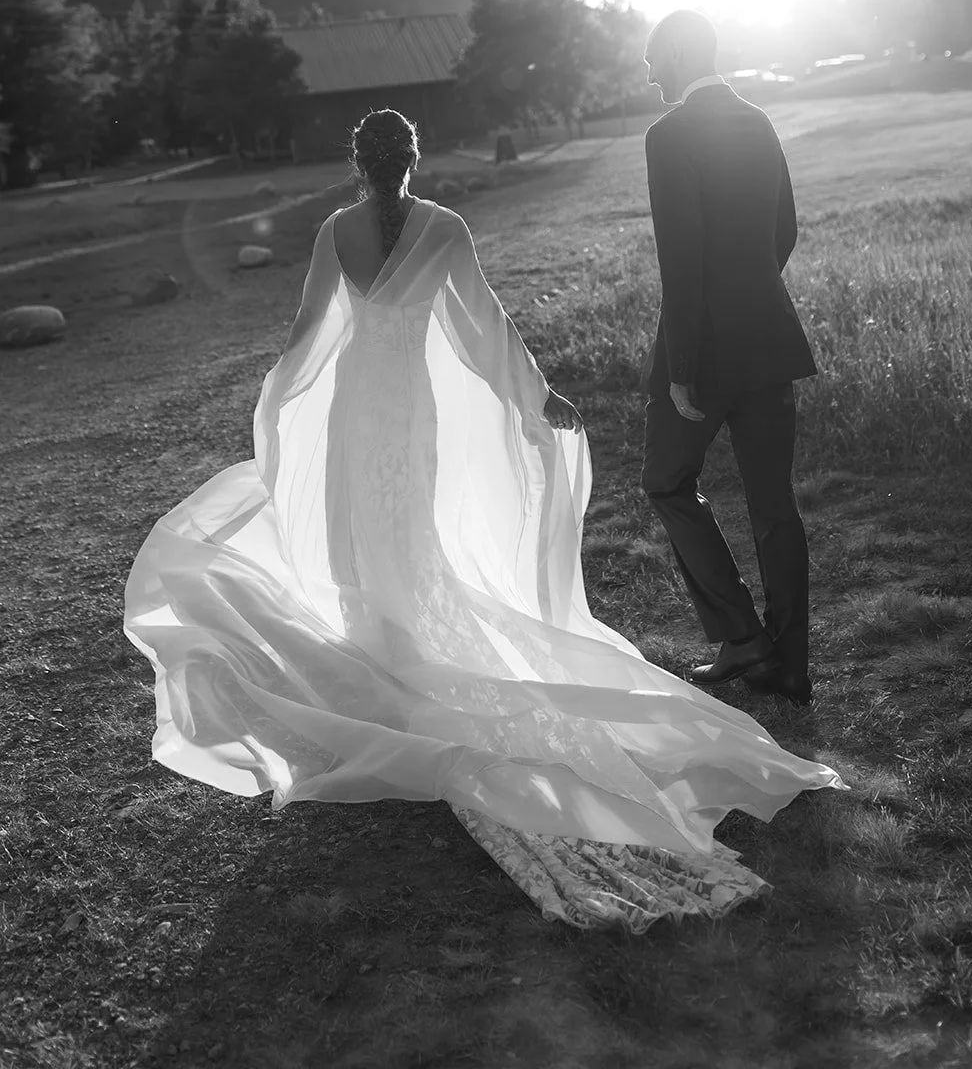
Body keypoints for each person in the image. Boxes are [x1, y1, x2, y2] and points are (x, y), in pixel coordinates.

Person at [125, 107, 841, 931]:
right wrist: (536, 397)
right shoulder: (442, 227)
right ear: (414, 159)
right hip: (410, 408)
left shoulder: (334, 231)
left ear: (357, 165)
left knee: (365, 533)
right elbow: (483, 328)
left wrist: (281, 407)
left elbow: (305, 333)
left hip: (358, 406)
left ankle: (390, 649)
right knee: (410, 529)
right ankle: (406, 643)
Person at [641, 12, 818, 705]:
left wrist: (682, 367)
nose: (648, 70)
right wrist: (748, 296)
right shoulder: (758, 120)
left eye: (653, 55)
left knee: (664, 481)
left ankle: (741, 635)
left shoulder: (667, 136)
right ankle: (790, 665)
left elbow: (679, 263)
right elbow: (785, 231)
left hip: (705, 351)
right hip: (769, 338)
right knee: (775, 505)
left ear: (680, 52)